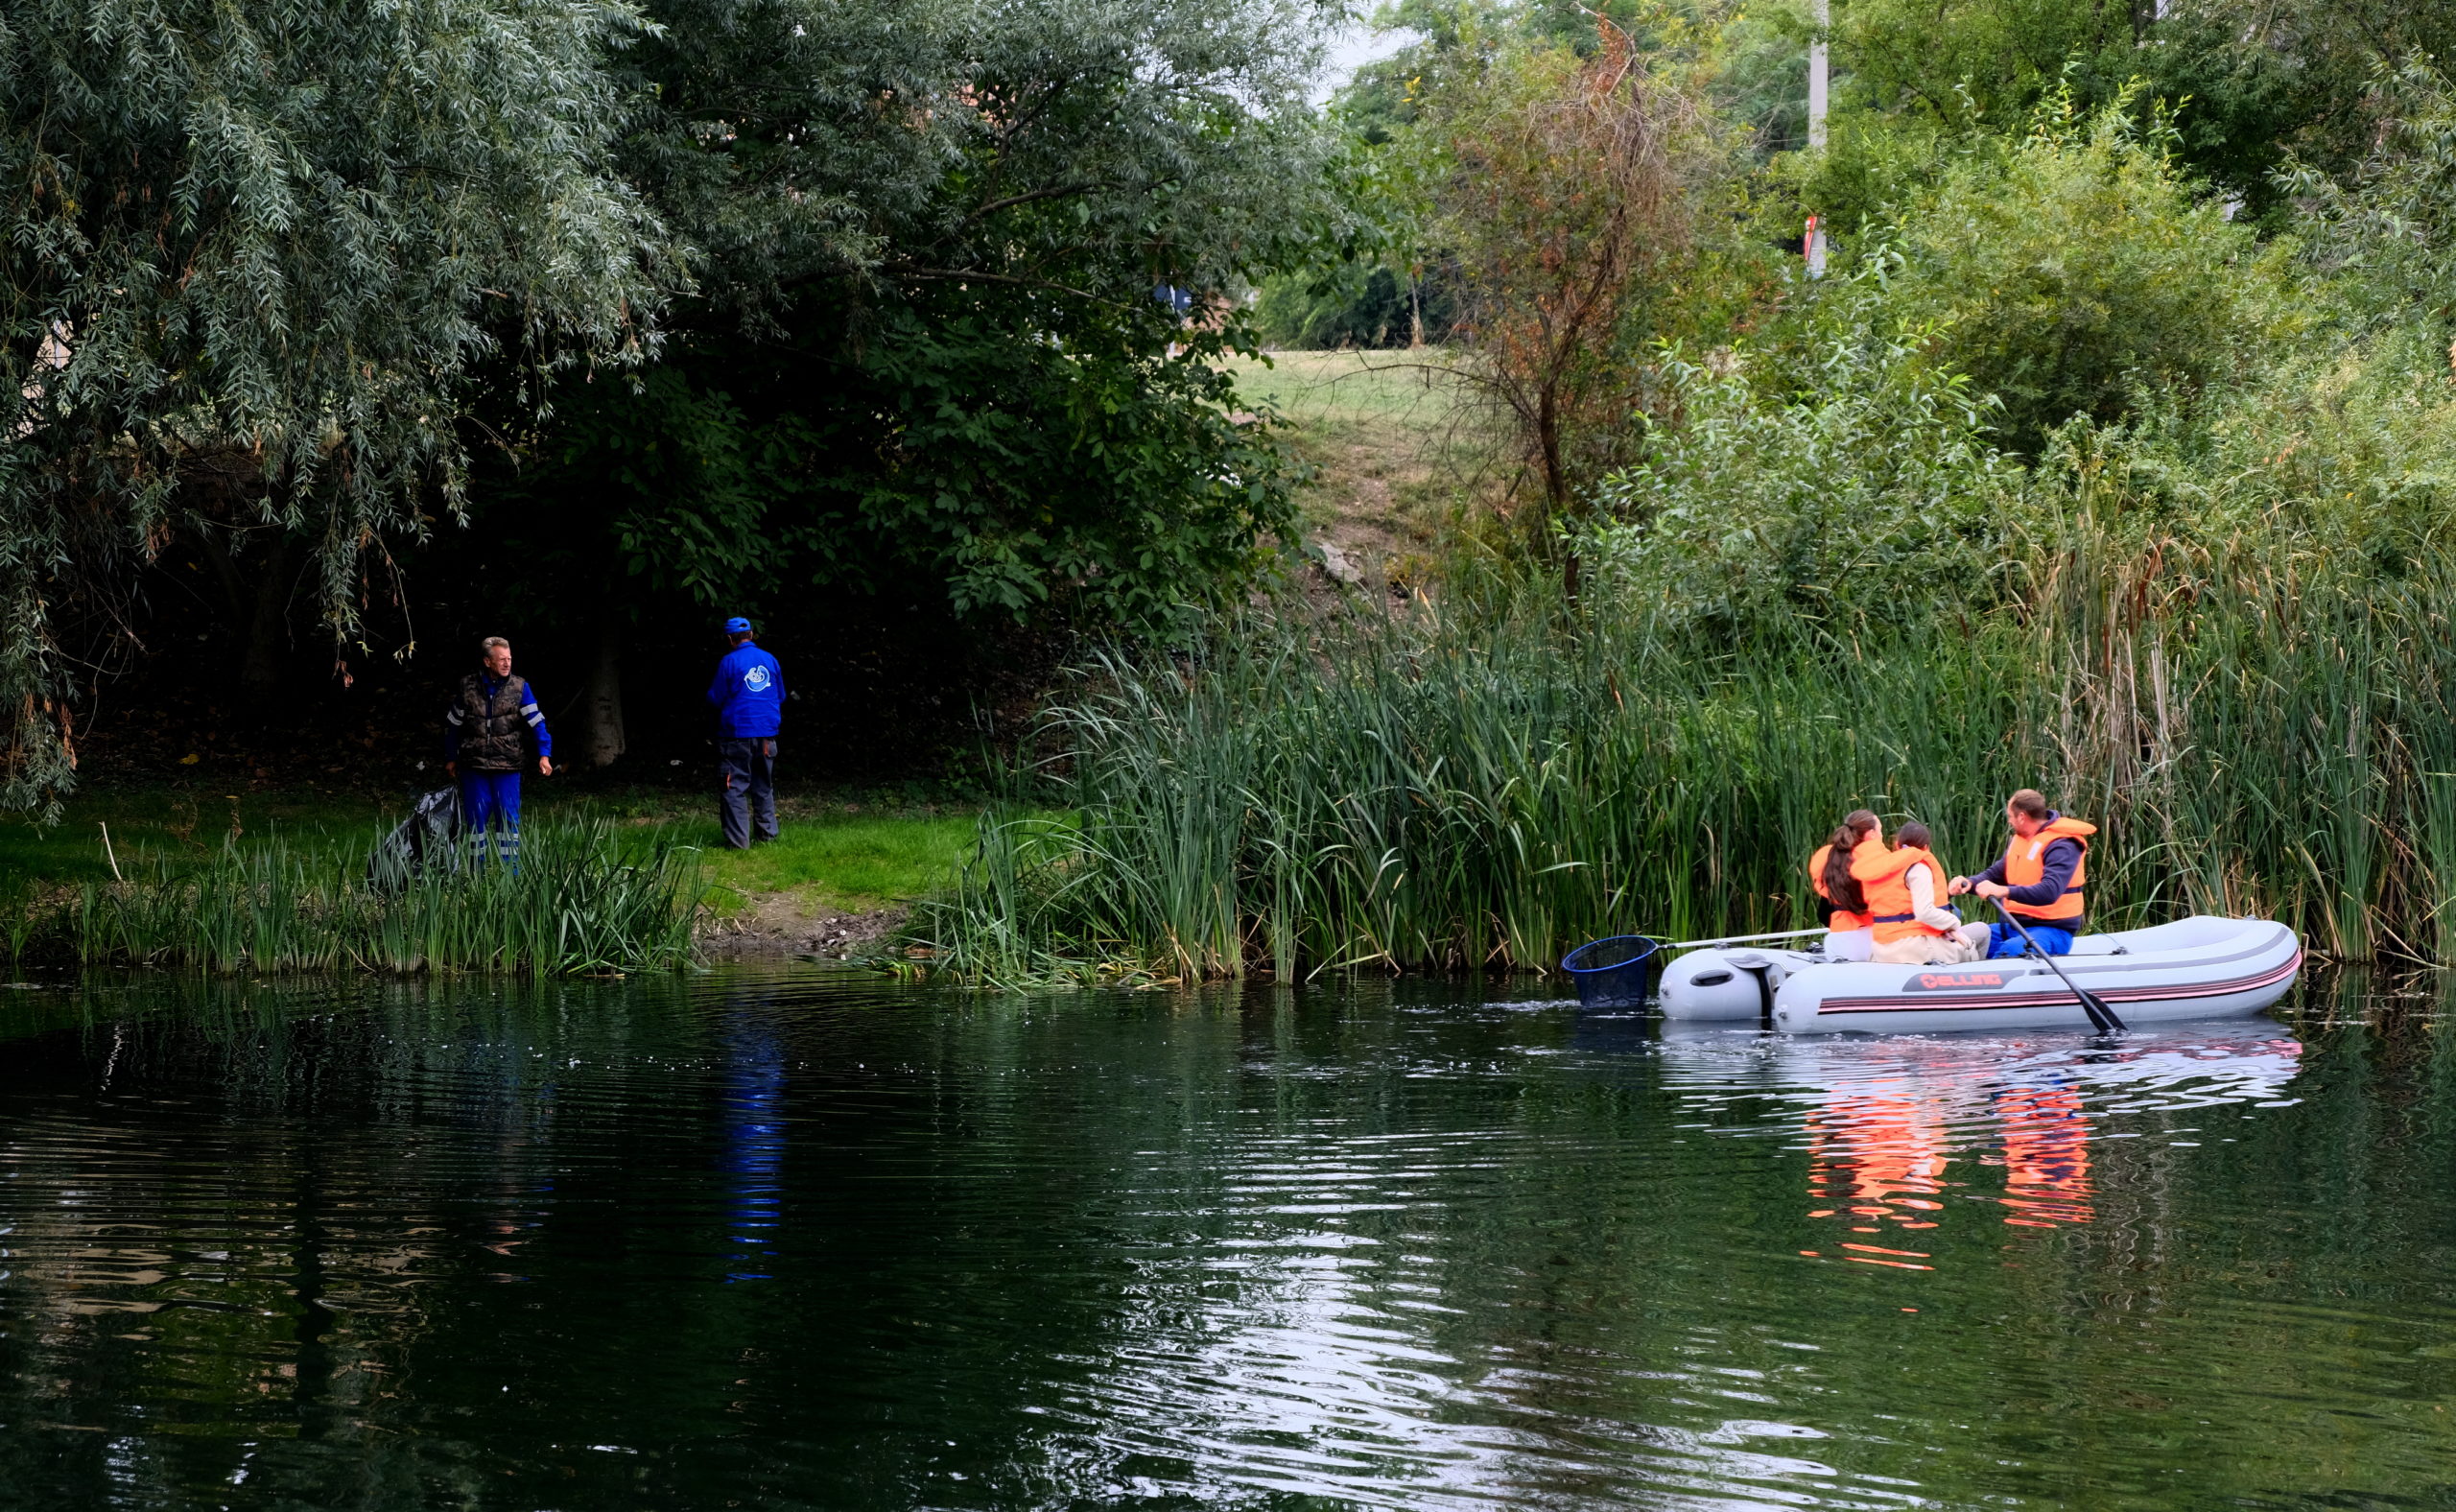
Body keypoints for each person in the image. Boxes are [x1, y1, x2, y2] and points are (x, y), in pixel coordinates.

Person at [443, 636, 552, 866]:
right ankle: (475, 873)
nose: (507, 664)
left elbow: (537, 722)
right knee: (475, 820)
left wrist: (545, 754)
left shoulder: (520, 687)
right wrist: (451, 757)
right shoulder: (467, 686)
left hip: (508, 765)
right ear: (487, 661)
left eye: (509, 659)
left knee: (508, 820)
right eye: (501, 659)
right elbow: (453, 725)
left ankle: (510, 874)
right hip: (474, 765)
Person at [1949, 789, 2095, 958]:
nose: (2009, 822)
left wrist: (2004, 891)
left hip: (2052, 930)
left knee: (2011, 951)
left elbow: (2050, 891)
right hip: (2012, 926)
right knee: (1956, 942)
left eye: (2010, 817)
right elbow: (1996, 873)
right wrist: (1969, 883)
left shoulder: (2062, 845)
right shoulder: (2021, 840)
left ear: (2021, 817)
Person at [1854, 820, 1981, 965]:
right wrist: (1953, 924)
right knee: (1975, 939)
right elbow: (1924, 913)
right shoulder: (1919, 868)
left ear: (1897, 845)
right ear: (1926, 847)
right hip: (1913, 948)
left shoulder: (1882, 868)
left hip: (1882, 949)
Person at [707, 615, 785, 849]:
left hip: (736, 734)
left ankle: (739, 843)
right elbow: (780, 695)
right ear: (751, 635)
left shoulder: (728, 662)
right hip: (767, 735)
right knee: (763, 786)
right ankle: (768, 837)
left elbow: (715, 697)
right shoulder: (770, 659)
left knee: (733, 788)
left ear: (730, 639)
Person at [1808, 810, 1883, 961]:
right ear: (1871, 834)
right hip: (1871, 938)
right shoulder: (1875, 859)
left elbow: (1823, 914)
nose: (1882, 835)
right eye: (1880, 830)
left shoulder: (1828, 857)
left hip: (1837, 940)